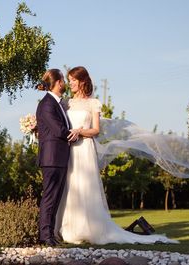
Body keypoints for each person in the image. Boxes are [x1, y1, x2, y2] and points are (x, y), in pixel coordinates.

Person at [55, 66, 178, 245]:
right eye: (69, 79)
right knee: (71, 185)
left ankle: (88, 229)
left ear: (82, 81)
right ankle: (68, 229)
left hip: (85, 148)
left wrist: (80, 131)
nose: (70, 83)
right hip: (70, 149)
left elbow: (96, 130)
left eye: (73, 80)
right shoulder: (66, 103)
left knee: (85, 186)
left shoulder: (93, 103)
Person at [35, 69, 79, 247]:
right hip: (52, 158)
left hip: (58, 157)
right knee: (50, 197)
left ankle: (50, 234)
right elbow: (59, 130)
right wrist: (75, 134)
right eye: (62, 80)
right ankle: (45, 236)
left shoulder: (56, 103)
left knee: (55, 197)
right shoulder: (47, 104)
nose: (65, 83)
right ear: (58, 82)